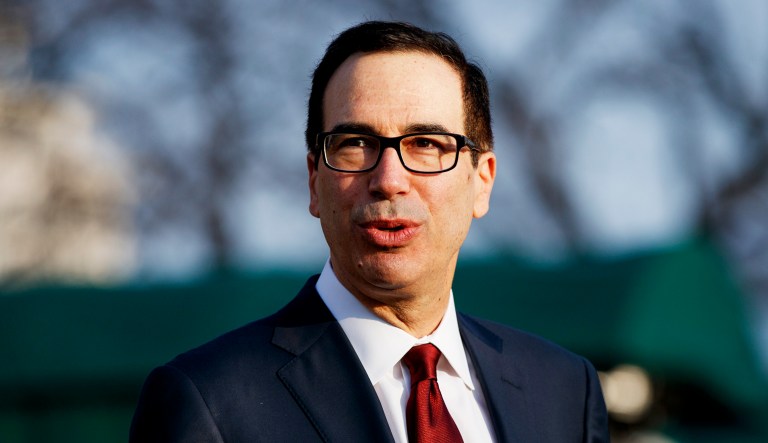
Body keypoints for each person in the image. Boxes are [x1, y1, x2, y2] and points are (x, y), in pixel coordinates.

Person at [129, 21, 609, 442]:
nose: (389, 179)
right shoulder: (209, 400)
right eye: (356, 143)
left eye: (426, 143)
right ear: (314, 181)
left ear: (481, 181)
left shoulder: (565, 392)